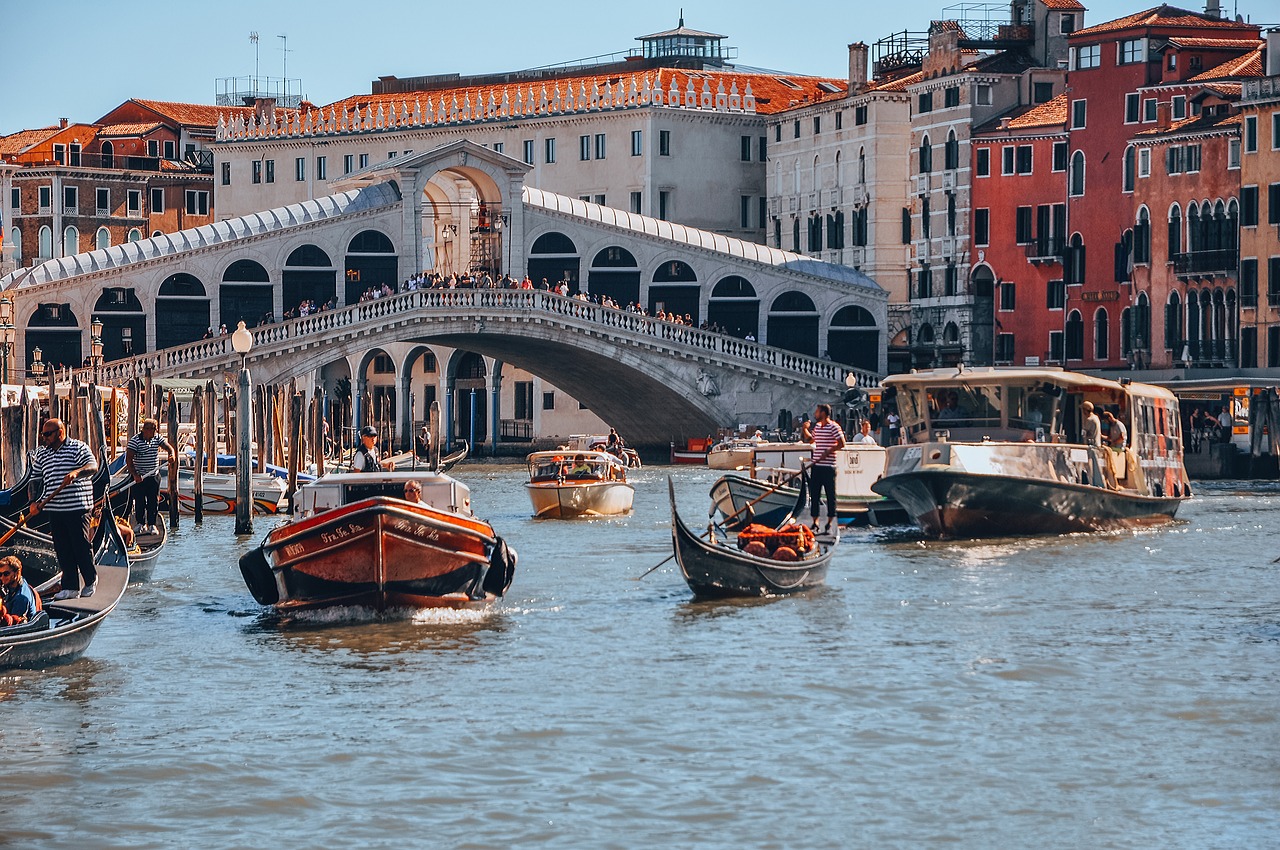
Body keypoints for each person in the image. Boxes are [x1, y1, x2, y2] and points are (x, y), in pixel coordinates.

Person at [29, 418, 99, 600]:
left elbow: (93, 467)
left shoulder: (78, 448)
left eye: (47, 434)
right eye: (43, 434)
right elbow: (34, 480)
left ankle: (91, 580)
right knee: (63, 548)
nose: (44, 438)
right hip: (55, 508)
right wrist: (34, 502)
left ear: (60, 432)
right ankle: (71, 587)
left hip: (78, 506)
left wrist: (77, 473)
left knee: (80, 546)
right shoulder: (42, 454)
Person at [126, 417, 175, 534]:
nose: (155, 432)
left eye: (155, 430)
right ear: (146, 430)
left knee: (153, 501)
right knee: (140, 500)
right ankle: (140, 523)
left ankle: (152, 524)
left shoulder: (157, 438)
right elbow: (129, 460)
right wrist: (135, 475)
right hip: (140, 476)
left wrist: (172, 454)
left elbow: (169, 448)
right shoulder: (135, 441)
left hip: (153, 475)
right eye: (153, 430)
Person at [802, 403, 845, 534]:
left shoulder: (834, 427)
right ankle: (815, 522)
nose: (815, 414)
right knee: (814, 495)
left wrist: (830, 450)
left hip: (829, 467)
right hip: (817, 466)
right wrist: (805, 429)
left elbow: (842, 443)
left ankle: (829, 522)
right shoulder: (818, 427)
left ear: (824, 413)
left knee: (830, 495)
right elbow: (811, 440)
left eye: (817, 412)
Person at [0, 555, 39, 626]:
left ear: (17, 573)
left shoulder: (21, 598)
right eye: (0, 574)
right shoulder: (19, 581)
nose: (2, 578)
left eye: (6, 574)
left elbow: (12, 625)